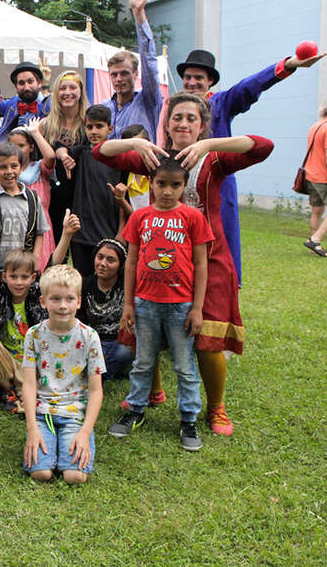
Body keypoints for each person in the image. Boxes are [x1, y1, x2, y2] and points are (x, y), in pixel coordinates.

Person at [95, 92, 275, 436]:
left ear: (202, 124)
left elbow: (263, 147)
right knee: (149, 327)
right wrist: (134, 140)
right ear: (167, 122)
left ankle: (216, 407)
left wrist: (209, 145)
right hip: (158, 260)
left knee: (208, 336)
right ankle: (153, 392)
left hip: (211, 259)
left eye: (192, 118)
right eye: (177, 117)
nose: (183, 124)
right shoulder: (153, 159)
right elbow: (99, 152)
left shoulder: (215, 158)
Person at [172, 44, 325, 282]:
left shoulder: (221, 103)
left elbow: (249, 86)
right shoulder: (174, 108)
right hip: (182, 187)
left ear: (210, 81)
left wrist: (288, 65)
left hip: (218, 188)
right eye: (188, 77)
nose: (192, 82)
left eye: (198, 78)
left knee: (220, 245)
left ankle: (227, 289)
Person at [106, 157, 213, 451]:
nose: (167, 191)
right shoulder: (140, 218)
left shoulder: (193, 218)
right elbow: (130, 263)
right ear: (151, 184)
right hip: (145, 303)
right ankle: (136, 410)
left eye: (175, 185)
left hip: (180, 304)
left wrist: (197, 308)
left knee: (184, 365)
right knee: (143, 361)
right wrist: (128, 304)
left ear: (183, 186)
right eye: (161, 184)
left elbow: (202, 264)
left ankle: (188, 419)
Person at [22, 264, 104, 484]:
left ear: (78, 300)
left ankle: (66, 444)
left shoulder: (90, 336)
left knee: (75, 476)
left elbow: (96, 391)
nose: (62, 306)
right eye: (55, 299)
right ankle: (47, 443)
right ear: (43, 301)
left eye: (69, 299)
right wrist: (32, 429)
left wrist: (85, 432)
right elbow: (29, 385)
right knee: (41, 473)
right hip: (42, 414)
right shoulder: (34, 335)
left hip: (75, 414)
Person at [52, 213, 134, 380]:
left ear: (120, 265)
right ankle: (101, 371)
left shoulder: (127, 286)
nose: (103, 263)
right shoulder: (84, 285)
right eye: (100, 257)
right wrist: (67, 233)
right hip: (91, 343)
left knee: (124, 352)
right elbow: (53, 269)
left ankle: (94, 374)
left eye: (111, 260)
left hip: (119, 343)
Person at [56, 104, 130, 276]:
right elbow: (58, 146)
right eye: (89, 127)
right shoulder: (81, 153)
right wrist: (63, 155)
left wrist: (121, 231)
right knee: (82, 281)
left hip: (109, 232)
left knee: (108, 281)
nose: (94, 131)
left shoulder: (119, 157)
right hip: (81, 234)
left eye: (99, 126)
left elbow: (123, 198)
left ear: (110, 128)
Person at [0, 142, 49, 296]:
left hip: (23, 272)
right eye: (3, 167)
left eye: (14, 166)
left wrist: (36, 260)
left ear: (21, 167)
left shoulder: (32, 199)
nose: (9, 171)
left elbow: (39, 232)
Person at [0, 249, 47, 412]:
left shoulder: (39, 296)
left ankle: (22, 392)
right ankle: (9, 390)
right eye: (13, 277)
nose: (19, 282)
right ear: (5, 277)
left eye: (24, 277)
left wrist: (66, 234)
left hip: (32, 364)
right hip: (7, 362)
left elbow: (54, 265)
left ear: (33, 278)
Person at [101, 0, 163, 139]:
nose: (119, 79)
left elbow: (149, 63)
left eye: (124, 73)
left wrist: (138, 13)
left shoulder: (148, 100)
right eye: (114, 74)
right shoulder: (102, 108)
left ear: (136, 74)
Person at [41, 71, 88, 243]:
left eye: (72, 87)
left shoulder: (88, 123)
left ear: (80, 91)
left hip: (81, 192)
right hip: (53, 193)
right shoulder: (45, 125)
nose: (67, 92)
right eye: (62, 88)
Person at [0, 40, 50, 140]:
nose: (26, 87)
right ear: (16, 86)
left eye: (30, 81)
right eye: (21, 83)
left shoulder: (50, 105)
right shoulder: (11, 104)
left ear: (39, 83)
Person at [7, 121, 57, 270]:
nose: (17, 150)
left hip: (40, 228)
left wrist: (35, 133)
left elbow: (50, 156)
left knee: (40, 269)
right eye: (13, 146)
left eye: (21, 146)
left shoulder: (40, 168)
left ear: (31, 147)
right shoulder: (5, 173)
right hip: (14, 227)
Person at [302, 99, 327, 257]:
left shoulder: (315, 126)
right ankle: (315, 239)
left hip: (311, 174)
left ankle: (315, 245)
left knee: (317, 211)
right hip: (324, 177)